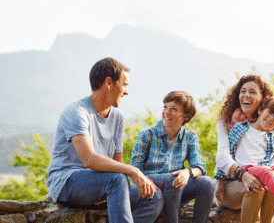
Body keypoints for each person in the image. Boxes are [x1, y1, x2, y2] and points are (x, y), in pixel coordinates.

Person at [47, 57, 163, 223]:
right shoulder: (76, 111)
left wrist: (133, 179)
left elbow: (116, 165)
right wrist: (134, 171)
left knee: (153, 196)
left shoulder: (117, 117)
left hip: (104, 184)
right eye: (124, 84)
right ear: (108, 83)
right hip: (67, 183)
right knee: (117, 180)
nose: (127, 91)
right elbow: (89, 159)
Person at [217, 96, 274, 222]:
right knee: (264, 174)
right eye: (270, 112)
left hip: (264, 174)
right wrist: (220, 180)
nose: (271, 118)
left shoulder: (272, 138)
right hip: (243, 172)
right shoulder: (240, 128)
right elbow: (224, 155)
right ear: (260, 110)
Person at [130, 91, 215, 223]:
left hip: (176, 188)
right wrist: (148, 183)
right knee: (174, 180)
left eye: (173, 109)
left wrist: (187, 172)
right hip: (150, 182)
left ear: (185, 116)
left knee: (207, 183)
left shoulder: (190, 137)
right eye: (165, 107)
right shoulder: (146, 134)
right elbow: (134, 169)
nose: (166, 112)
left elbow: (200, 167)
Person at [215, 75, 274, 222]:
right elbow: (222, 155)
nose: (246, 95)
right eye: (243, 91)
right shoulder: (226, 122)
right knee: (255, 186)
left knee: (273, 184)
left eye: (252, 92)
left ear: (262, 100)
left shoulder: (270, 124)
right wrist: (243, 175)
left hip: (261, 177)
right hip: (229, 185)